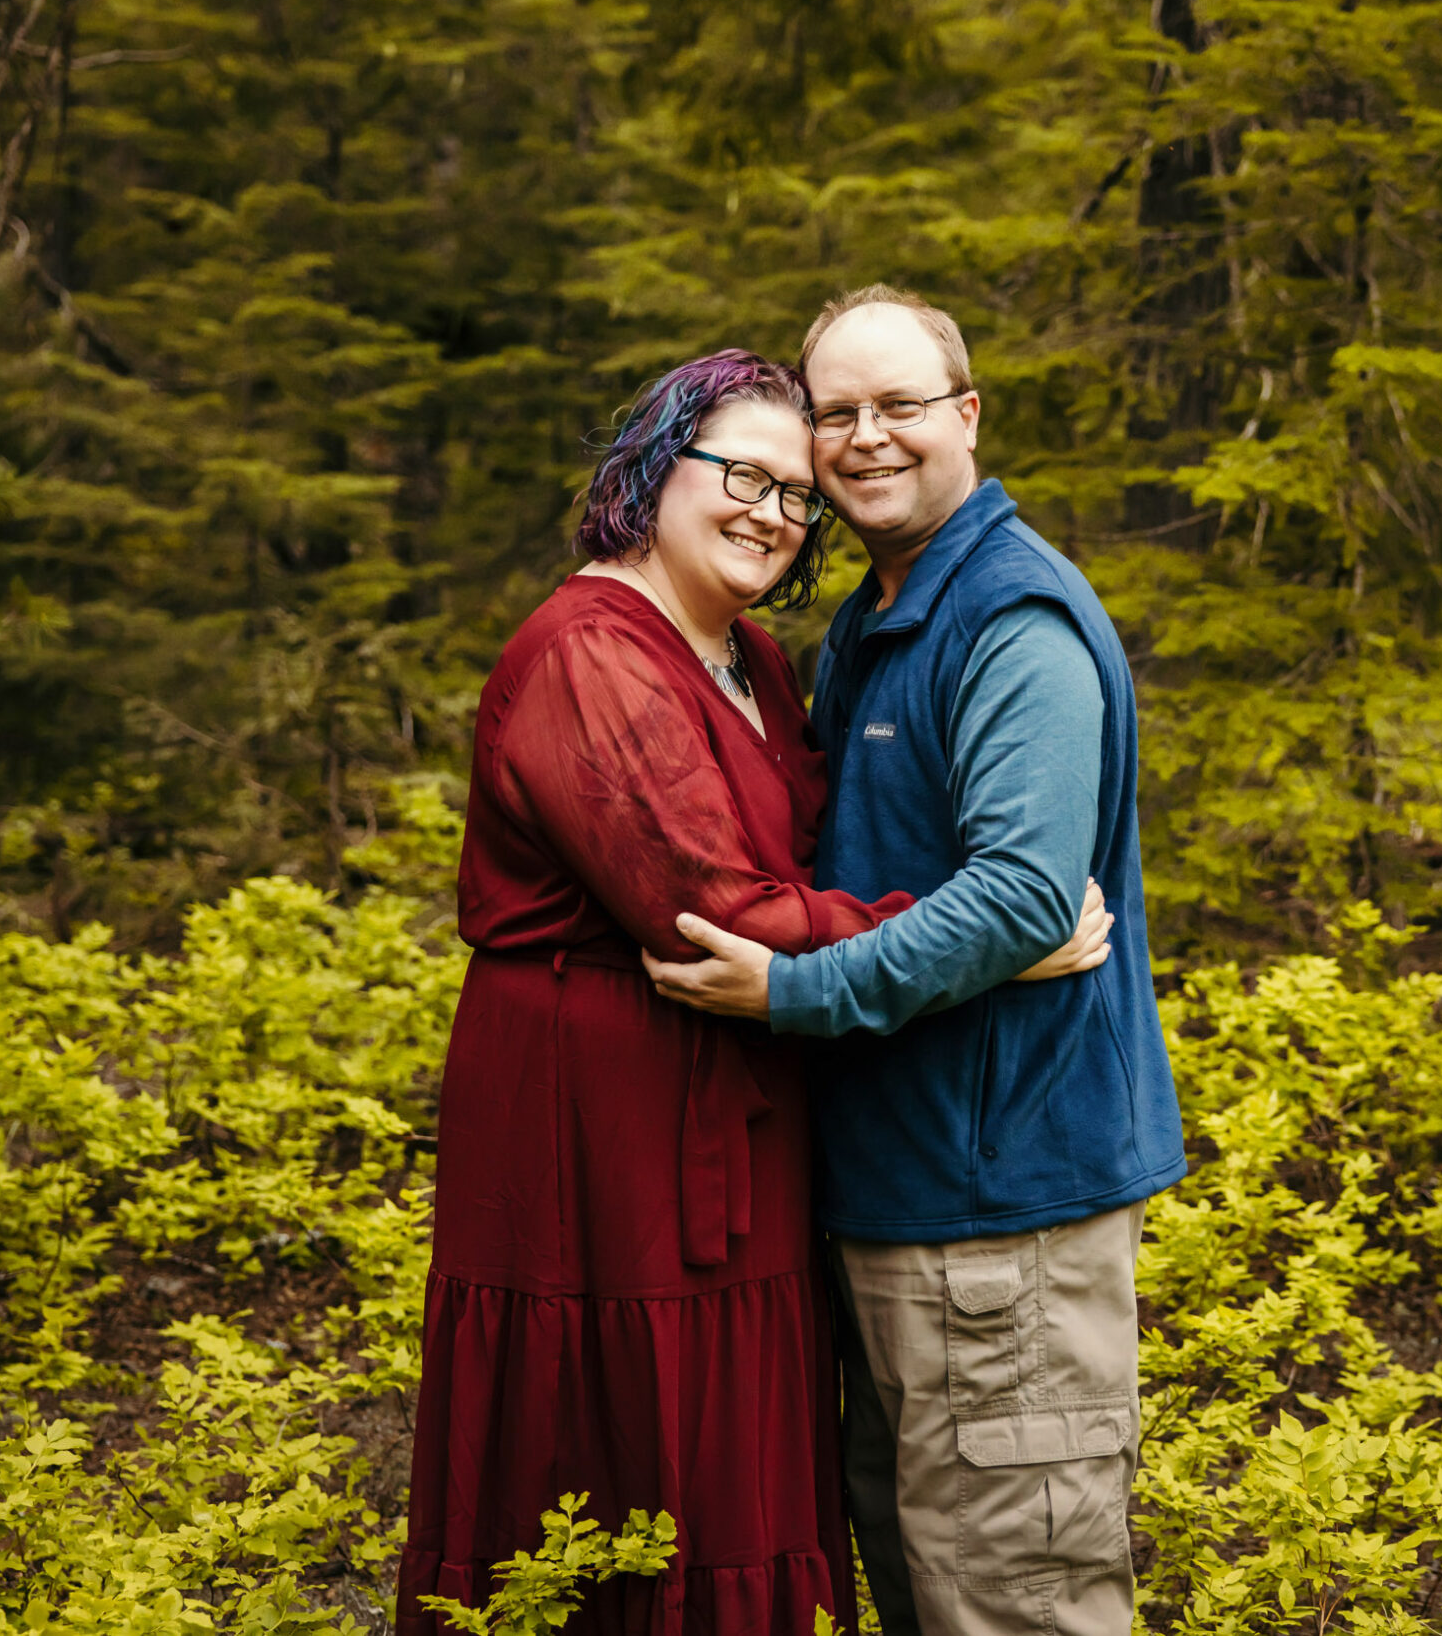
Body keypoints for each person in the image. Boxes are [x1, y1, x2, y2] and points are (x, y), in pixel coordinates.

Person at [394, 348, 1112, 1636]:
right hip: (596, 1134)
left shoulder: (758, 662)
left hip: (743, 1108)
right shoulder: (589, 653)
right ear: (654, 468)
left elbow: (814, 870)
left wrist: (951, 924)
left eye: (797, 495)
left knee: (741, 1465)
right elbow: (714, 908)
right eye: (742, 474)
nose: (772, 512)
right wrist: (976, 929)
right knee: (624, 1463)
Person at [648, 288, 1187, 1636]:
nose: (867, 438)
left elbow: (1019, 893)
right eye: (839, 414)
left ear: (967, 415)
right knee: (935, 1587)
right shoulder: (884, 623)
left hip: (1001, 1217)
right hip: (911, 1209)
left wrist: (792, 991)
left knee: (1014, 1602)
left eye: (900, 406)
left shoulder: (1009, 623)